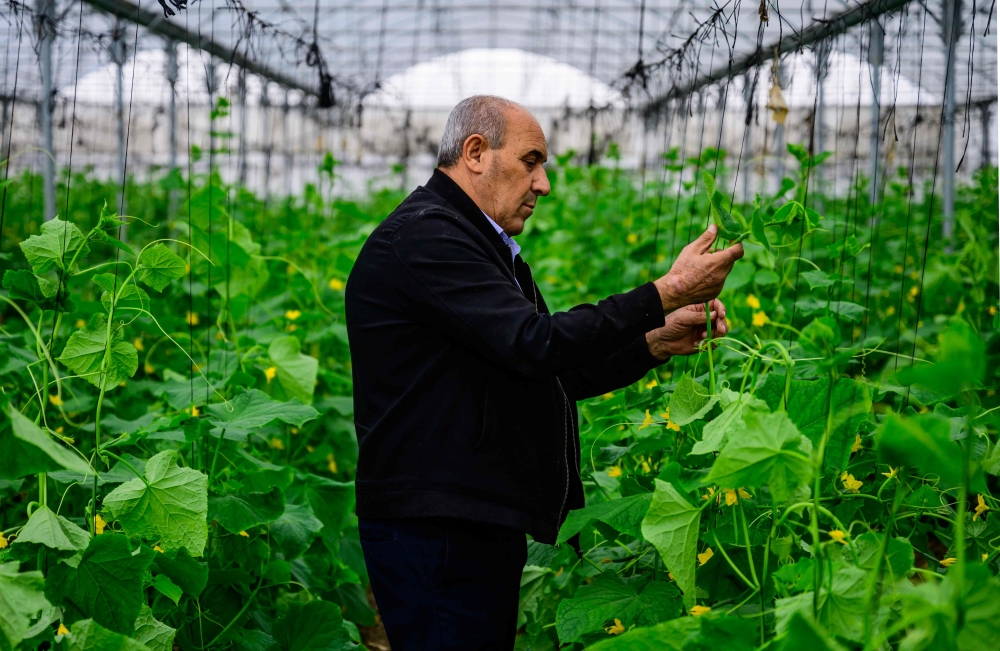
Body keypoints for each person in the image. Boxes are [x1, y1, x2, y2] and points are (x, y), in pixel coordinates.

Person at [345, 95, 743, 650]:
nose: (543, 184)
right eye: (532, 161)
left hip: (467, 519)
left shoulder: (474, 243)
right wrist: (665, 292)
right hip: (436, 529)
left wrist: (653, 341)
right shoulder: (426, 238)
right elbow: (535, 343)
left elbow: (547, 370)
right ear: (476, 152)